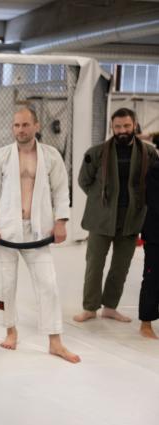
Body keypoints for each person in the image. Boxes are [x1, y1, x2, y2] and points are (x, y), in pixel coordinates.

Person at [0, 107, 80, 363]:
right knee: (5, 284)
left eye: (25, 125)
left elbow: (61, 190)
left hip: (38, 230)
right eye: (16, 125)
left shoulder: (51, 156)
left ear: (37, 125)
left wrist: (61, 222)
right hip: (6, 229)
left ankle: (55, 341)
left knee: (48, 285)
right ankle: (10, 331)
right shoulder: (1, 156)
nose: (20, 130)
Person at [74, 108, 158, 323]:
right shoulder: (96, 153)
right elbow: (84, 181)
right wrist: (102, 201)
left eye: (126, 126)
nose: (122, 131)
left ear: (134, 125)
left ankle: (110, 307)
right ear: (112, 127)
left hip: (131, 218)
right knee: (94, 264)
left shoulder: (148, 153)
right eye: (118, 126)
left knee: (121, 266)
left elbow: (154, 182)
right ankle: (90, 307)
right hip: (101, 219)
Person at [139, 158, 159, 338]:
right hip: (155, 235)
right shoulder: (155, 171)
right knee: (153, 277)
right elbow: (154, 202)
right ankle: (146, 323)